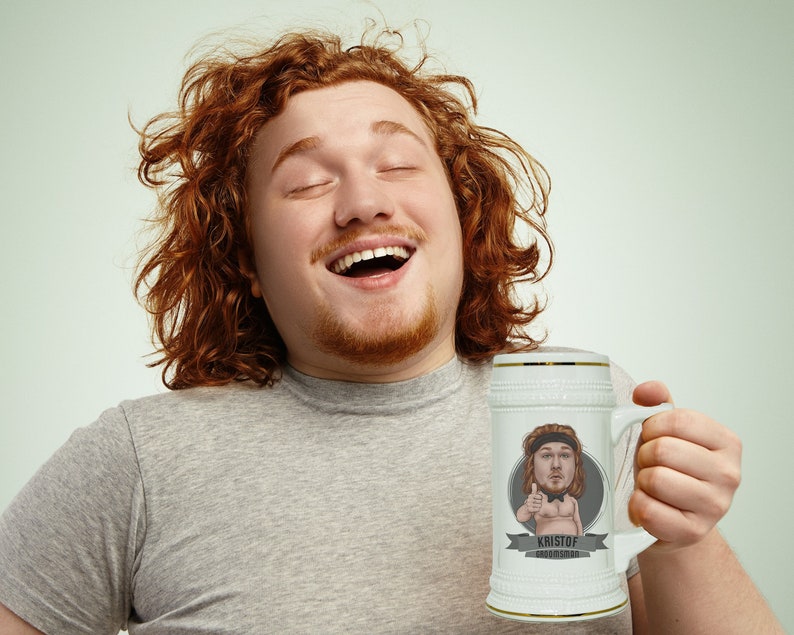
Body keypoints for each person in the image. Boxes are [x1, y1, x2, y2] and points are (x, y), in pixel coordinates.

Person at [0, 26, 783, 634]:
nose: (362, 201)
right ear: (242, 255)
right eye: (306, 180)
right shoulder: (138, 460)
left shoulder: (582, 409)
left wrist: (683, 535)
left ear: (462, 210)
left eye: (399, 164)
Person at [516, 424, 584, 536]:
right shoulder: (536, 499)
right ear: (532, 465)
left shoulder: (572, 501)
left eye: (565, 455)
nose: (556, 465)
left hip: (572, 550)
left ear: (576, 465)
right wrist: (528, 508)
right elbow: (520, 517)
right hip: (542, 550)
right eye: (547, 456)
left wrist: (582, 543)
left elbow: (578, 522)